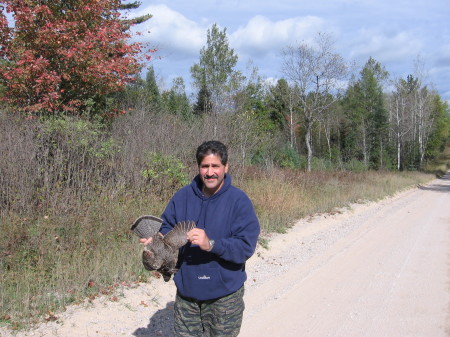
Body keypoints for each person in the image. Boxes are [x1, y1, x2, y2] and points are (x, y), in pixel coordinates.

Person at [141, 140, 260, 336]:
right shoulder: (183, 197)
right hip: (188, 294)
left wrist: (211, 244)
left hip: (224, 297)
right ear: (199, 167)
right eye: (205, 166)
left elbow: (245, 246)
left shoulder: (239, 201)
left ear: (226, 167)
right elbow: (166, 226)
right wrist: (156, 240)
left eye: (215, 166)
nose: (210, 172)